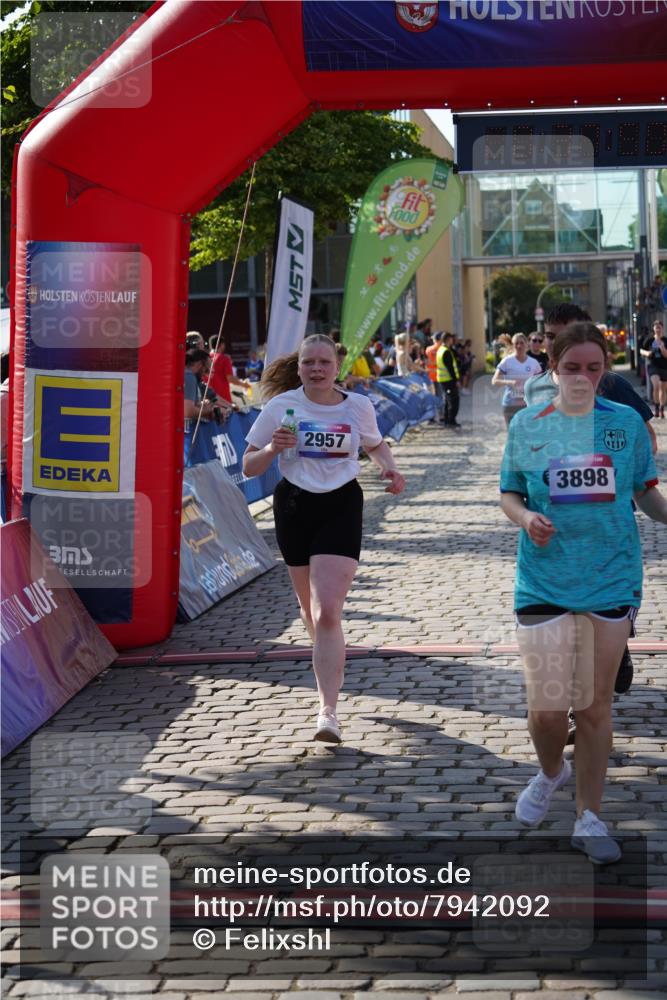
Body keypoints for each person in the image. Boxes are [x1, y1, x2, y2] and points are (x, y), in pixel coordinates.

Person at [500, 322, 667, 864]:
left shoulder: (625, 424)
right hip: (544, 577)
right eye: (572, 367)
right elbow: (510, 494)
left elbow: (645, 493)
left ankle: (589, 817)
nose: (583, 377)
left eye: (594, 368)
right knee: (548, 708)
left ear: (605, 371)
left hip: (610, 574)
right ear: (553, 368)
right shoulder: (528, 424)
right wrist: (526, 519)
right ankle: (552, 770)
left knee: (593, 706)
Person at [243, 335, 405, 744]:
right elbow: (248, 466)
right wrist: (272, 448)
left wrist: (389, 468)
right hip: (294, 506)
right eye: (309, 362)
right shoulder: (281, 407)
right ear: (299, 367)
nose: (316, 369)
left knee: (328, 610)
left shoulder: (358, 406)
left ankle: (327, 712)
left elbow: (375, 444)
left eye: (324, 362)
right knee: (310, 613)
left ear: (338, 367)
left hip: (341, 504)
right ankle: (329, 657)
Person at [524, 303, 656, 737]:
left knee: (599, 615)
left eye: (564, 334)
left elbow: (644, 439)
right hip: (558, 532)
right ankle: (575, 710)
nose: (555, 343)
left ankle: (615, 652)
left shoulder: (611, 384)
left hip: (608, 527)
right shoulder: (534, 389)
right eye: (550, 336)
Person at [492, 332, 541, 427]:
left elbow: (541, 381)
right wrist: (509, 382)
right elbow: (494, 380)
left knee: (527, 432)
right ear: (513, 345)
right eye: (516, 343)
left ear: (527, 344)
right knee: (512, 432)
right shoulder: (507, 361)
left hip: (528, 404)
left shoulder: (533, 363)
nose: (519, 346)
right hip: (510, 404)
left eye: (521, 343)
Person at [208, 336, 251, 405]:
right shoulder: (224, 359)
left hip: (208, 399)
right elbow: (230, 378)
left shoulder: (206, 359)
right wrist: (243, 384)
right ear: (221, 344)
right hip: (223, 399)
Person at [640, 319, 667, 419]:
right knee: (656, 385)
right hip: (653, 365)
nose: (658, 330)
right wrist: (647, 353)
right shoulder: (650, 340)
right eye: (656, 328)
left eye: (659, 327)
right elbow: (641, 350)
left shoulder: (665, 340)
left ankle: (661, 408)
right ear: (653, 329)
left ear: (662, 328)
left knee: (663, 389)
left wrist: (662, 348)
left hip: (664, 366)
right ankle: (656, 407)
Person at [184, 349, 216, 425]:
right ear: (199, 364)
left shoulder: (185, 374)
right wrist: (208, 410)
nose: (205, 374)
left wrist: (200, 405)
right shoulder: (189, 377)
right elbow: (187, 411)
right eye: (206, 369)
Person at [436, 332, 461, 428]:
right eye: (451, 339)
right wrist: (456, 380)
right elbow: (450, 368)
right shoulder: (446, 351)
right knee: (453, 400)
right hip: (448, 380)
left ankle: (447, 420)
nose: (452, 341)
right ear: (448, 340)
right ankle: (451, 420)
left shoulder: (440, 350)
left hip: (443, 379)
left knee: (447, 400)